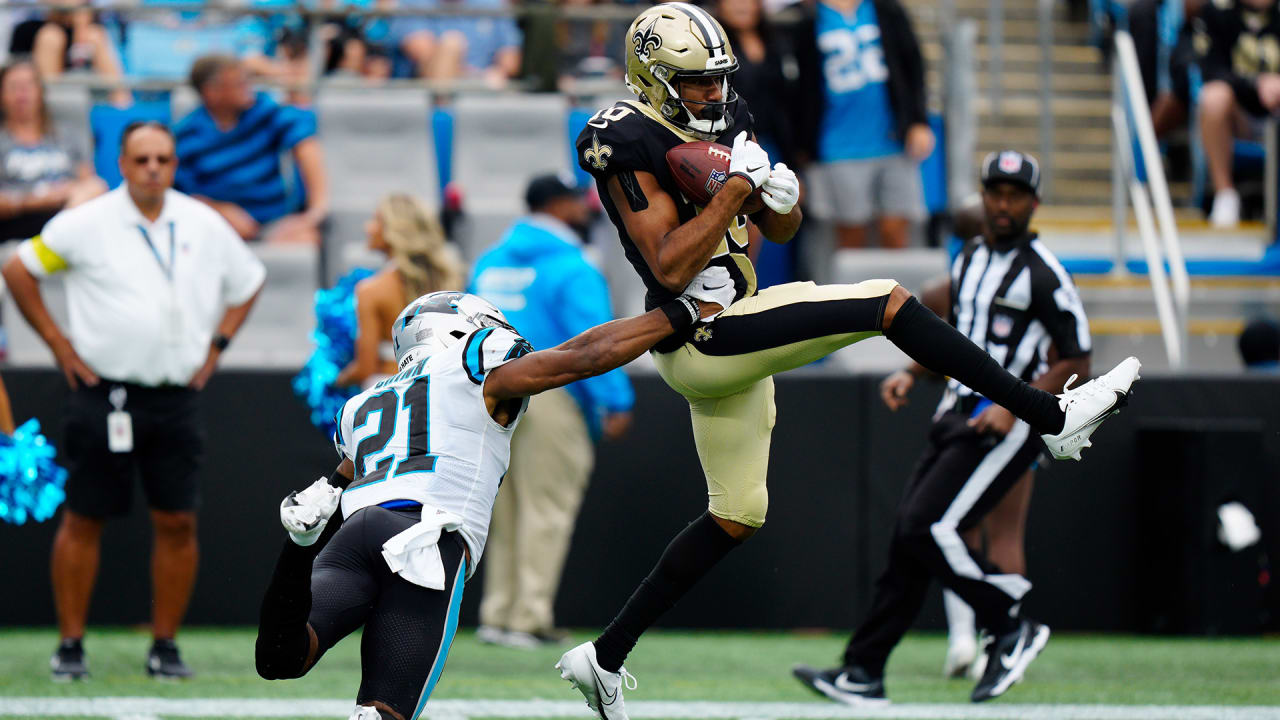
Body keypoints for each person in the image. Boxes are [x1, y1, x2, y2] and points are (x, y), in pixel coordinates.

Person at [558, 7, 1140, 718]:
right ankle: (1050, 413)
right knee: (887, 303)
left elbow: (778, 226)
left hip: (737, 315)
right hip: (705, 333)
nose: (714, 94)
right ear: (653, 77)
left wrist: (777, 198)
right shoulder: (620, 137)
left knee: (738, 513)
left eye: (718, 80)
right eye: (697, 83)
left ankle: (604, 657)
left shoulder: (729, 110)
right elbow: (671, 266)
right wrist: (738, 189)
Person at [253, 287, 708, 720]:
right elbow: (583, 356)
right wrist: (678, 313)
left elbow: (338, 486)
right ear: (459, 330)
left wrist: (305, 541)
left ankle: (297, 545)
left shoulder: (365, 401)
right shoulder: (474, 363)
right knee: (381, 712)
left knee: (281, 657)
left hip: (356, 532)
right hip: (425, 537)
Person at [790, 150, 1094, 704]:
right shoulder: (972, 257)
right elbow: (959, 343)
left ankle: (1009, 623)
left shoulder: (1045, 272)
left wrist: (1017, 403)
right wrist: (912, 371)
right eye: (994, 193)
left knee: (925, 530)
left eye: (1014, 195)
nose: (1003, 205)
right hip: (955, 411)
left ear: (1034, 202)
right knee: (909, 540)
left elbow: (1077, 359)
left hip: (1003, 422)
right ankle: (864, 670)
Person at [1, 121, 266, 680]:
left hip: (174, 397)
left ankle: (165, 645)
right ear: (121, 163)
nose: (152, 169)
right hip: (104, 394)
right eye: (141, 159)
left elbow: (249, 281)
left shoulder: (202, 222)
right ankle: (70, 644)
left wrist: (216, 346)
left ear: (174, 165)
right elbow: (18, 268)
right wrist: (57, 343)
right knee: (84, 518)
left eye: (163, 160)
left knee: (177, 521)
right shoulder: (87, 222)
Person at [470, 173, 635, 649]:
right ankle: (529, 619)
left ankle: (497, 614)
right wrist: (615, 400)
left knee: (502, 508)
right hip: (550, 397)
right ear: (560, 206)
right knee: (546, 509)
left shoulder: (488, 262)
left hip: (488, 395)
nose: (586, 209)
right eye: (578, 201)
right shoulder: (574, 265)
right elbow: (594, 342)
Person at [794, 0, 933, 249]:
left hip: (892, 140)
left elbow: (913, 64)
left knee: (895, 230)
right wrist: (802, 145)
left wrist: (918, 121)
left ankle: (893, 288)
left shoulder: (886, 9)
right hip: (838, 144)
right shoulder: (808, 18)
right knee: (851, 234)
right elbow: (803, 88)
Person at [174, 54, 328, 244]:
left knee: (305, 239)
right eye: (239, 84)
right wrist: (219, 211)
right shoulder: (186, 135)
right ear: (211, 92)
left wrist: (314, 213)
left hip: (275, 222)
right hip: (217, 230)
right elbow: (180, 197)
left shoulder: (263, 111)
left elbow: (305, 141)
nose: (249, 89)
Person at [335, 194, 465, 388]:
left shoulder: (370, 290)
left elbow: (365, 368)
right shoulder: (449, 280)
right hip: (440, 389)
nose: (368, 227)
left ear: (394, 229)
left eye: (377, 220)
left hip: (389, 394)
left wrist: (336, 381)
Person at [1192, 0, 1280, 227]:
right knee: (1213, 97)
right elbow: (1211, 69)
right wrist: (1256, 83)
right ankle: (1225, 195)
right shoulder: (1217, 11)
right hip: (1240, 116)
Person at [0, 60, 105, 242]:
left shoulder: (66, 136)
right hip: (19, 222)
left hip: (65, 213)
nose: (22, 93)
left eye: (28, 85)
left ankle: (60, 237)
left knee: (97, 187)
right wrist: (35, 200)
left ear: (41, 91)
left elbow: (88, 181)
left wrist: (68, 193)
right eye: (14, 87)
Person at [392, 0, 521, 86]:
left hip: (487, 91)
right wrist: (476, 79)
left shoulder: (494, 4)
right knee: (451, 44)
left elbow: (511, 57)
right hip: (426, 91)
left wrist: (498, 72)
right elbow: (422, 53)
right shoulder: (413, 2)